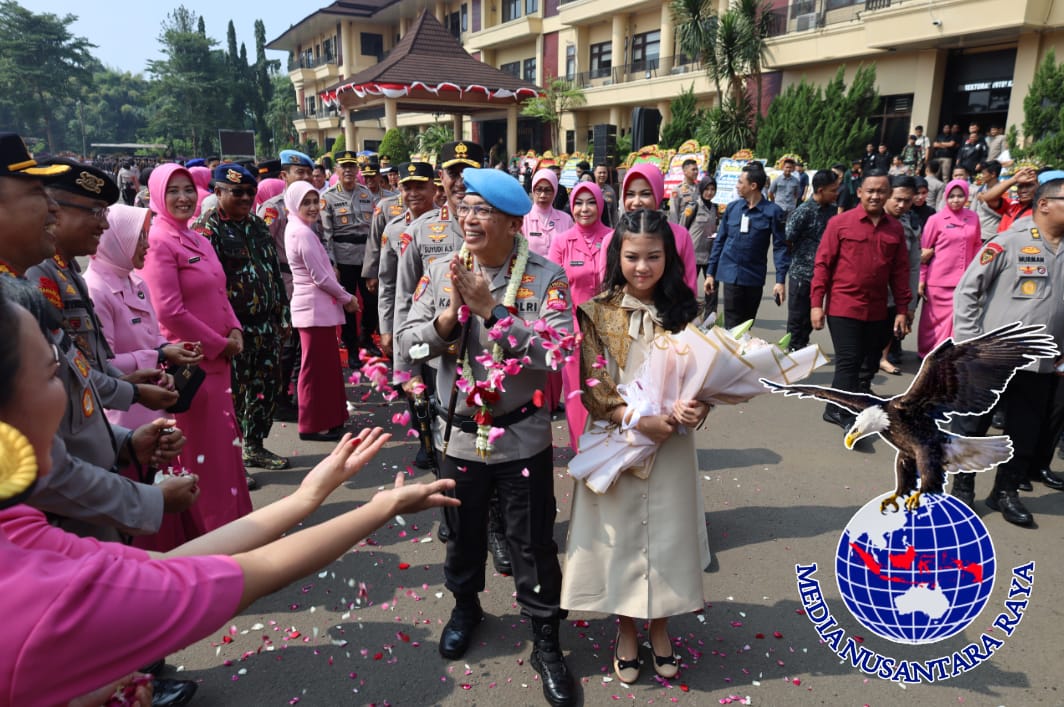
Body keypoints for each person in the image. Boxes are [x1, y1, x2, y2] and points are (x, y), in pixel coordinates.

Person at [0, 281, 457, 705]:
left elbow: (164, 567)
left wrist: (306, 497)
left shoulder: (18, 528)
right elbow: (239, 576)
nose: (69, 392)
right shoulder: (44, 597)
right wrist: (381, 508)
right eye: (50, 374)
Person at [395, 168, 576, 707]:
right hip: (458, 437)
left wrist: (494, 313)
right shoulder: (439, 270)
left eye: (483, 211)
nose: (469, 219)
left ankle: (546, 638)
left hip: (521, 437)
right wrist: (449, 320)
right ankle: (466, 608)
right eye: (465, 207)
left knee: (532, 541)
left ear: (513, 222)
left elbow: (557, 355)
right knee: (463, 531)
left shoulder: (546, 277)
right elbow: (412, 350)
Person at [561, 209, 709, 685]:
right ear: (616, 256)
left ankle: (661, 626)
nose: (642, 266)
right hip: (620, 439)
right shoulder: (597, 311)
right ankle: (626, 628)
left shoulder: (687, 312)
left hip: (671, 445)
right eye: (631, 257)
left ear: (669, 256)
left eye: (653, 256)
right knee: (620, 536)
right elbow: (594, 385)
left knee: (667, 535)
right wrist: (636, 419)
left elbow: (705, 379)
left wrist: (699, 408)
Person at [84, 204, 206, 551]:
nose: (146, 246)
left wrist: (170, 348)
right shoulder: (96, 291)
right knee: (142, 507)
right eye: (139, 238)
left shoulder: (134, 281)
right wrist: (158, 354)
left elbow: (152, 338)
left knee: (167, 499)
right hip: (126, 416)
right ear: (116, 240)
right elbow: (101, 365)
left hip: (153, 407)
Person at [140, 163, 253, 535]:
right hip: (191, 366)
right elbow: (169, 311)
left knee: (224, 449)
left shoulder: (198, 239)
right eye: (172, 191)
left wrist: (235, 328)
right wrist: (220, 343)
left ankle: (235, 526)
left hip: (219, 360)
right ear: (157, 195)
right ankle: (210, 533)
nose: (184, 198)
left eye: (188, 189)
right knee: (202, 455)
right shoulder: (159, 241)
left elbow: (220, 292)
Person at [951, 177, 1064, 524]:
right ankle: (962, 489)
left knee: (1023, 431)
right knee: (974, 425)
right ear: (1044, 204)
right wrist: (969, 341)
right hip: (994, 357)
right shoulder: (1010, 241)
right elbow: (968, 290)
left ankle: (1004, 492)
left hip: (1042, 360)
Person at [197, 163, 290, 476]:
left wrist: (282, 312)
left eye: (251, 191)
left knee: (265, 389)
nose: (246, 197)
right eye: (237, 192)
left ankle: (254, 446)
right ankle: (232, 459)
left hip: (266, 324)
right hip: (234, 329)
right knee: (233, 397)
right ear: (218, 192)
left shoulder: (258, 225)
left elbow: (273, 271)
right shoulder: (208, 229)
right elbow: (208, 285)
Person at [811, 170, 912, 428]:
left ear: (888, 194)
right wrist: (816, 304)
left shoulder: (895, 229)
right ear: (859, 192)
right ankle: (844, 414)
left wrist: (902, 309)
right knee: (848, 360)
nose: (875, 196)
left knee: (866, 361)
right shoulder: (840, 223)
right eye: (870, 191)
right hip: (843, 306)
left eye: (881, 191)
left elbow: (900, 272)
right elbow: (823, 264)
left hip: (877, 309)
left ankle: (839, 406)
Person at [285, 180, 358, 442]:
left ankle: (328, 419)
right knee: (314, 371)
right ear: (294, 204)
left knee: (323, 370)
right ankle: (312, 424)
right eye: (306, 202)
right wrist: (347, 297)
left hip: (316, 310)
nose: (313, 207)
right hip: (313, 310)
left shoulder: (300, 228)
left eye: (316, 201)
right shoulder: (301, 232)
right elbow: (320, 278)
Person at [549, 181, 613, 451]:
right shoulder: (562, 241)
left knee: (607, 389)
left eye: (590, 202)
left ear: (600, 204)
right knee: (576, 392)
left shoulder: (614, 237)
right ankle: (579, 447)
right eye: (578, 202)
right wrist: (562, 328)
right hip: (572, 328)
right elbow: (553, 288)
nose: (584, 209)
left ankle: (608, 444)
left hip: (609, 329)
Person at [705, 162, 789, 328]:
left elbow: (780, 247)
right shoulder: (732, 209)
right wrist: (710, 273)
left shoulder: (773, 212)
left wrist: (780, 281)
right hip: (730, 273)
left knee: (746, 324)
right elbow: (719, 241)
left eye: (740, 182)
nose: (737, 186)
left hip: (753, 277)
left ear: (753, 186)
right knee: (731, 324)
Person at [322, 150, 381, 359]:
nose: (348, 170)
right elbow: (327, 234)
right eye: (343, 166)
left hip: (367, 257)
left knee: (372, 302)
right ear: (337, 170)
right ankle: (352, 348)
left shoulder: (366, 194)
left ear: (357, 170)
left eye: (351, 166)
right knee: (348, 304)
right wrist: (332, 264)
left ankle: (366, 338)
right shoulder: (327, 197)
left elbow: (375, 229)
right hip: (343, 257)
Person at [613, 162, 699, 298]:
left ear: (658, 193)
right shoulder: (612, 238)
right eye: (630, 194)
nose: (636, 202)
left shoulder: (680, 236)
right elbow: (608, 287)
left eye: (645, 194)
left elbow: (689, 286)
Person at [917, 179, 981, 358]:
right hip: (938, 279)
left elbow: (976, 246)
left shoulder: (973, 218)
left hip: (963, 279)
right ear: (946, 197)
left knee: (957, 319)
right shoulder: (935, 219)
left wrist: (977, 273)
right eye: (952, 196)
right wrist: (921, 279)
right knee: (932, 321)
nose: (956, 200)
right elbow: (924, 252)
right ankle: (927, 352)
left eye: (960, 196)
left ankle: (948, 352)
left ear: (967, 197)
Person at [784, 169, 839, 351]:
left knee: (810, 318)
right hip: (802, 275)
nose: (836, 194)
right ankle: (792, 352)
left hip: (821, 276)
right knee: (797, 320)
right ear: (821, 190)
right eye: (833, 190)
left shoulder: (833, 212)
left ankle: (801, 347)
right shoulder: (803, 211)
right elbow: (788, 237)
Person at [684, 176, 720, 316]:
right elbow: (683, 228)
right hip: (693, 253)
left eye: (712, 189)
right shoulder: (693, 206)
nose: (710, 192)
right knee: (689, 287)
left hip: (710, 253)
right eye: (707, 189)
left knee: (712, 287)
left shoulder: (715, 208)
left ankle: (710, 317)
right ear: (701, 189)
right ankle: (687, 315)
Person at [524, 168, 574, 259]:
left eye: (547, 190)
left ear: (554, 192)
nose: (543, 195)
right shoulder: (523, 219)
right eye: (539, 190)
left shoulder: (566, 220)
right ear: (533, 190)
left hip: (559, 272)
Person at [668, 159, 699, 224]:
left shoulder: (699, 188)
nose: (696, 172)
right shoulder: (677, 190)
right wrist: (676, 231)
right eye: (693, 169)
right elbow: (673, 213)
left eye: (697, 169)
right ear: (685, 171)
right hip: (684, 228)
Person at [594, 163, 619, 228]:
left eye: (604, 173)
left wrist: (616, 229)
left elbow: (614, 212)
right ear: (595, 173)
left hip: (607, 227)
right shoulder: (590, 189)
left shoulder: (611, 191)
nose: (602, 175)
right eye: (600, 173)